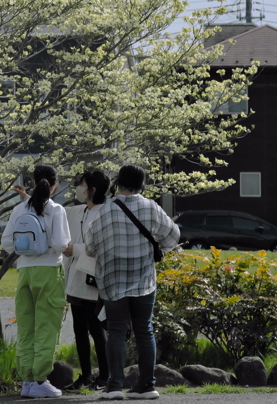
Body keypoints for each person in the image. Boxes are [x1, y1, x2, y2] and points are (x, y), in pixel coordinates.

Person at [86, 165, 179, 401]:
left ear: (119, 182)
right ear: (142, 184)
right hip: (144, 279)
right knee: (144, 329)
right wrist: (157, 251)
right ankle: (147, 385)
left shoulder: (104, 211)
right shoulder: (151, 207)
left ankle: (115, 385)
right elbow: (173, 236)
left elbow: (90, 246)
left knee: (117, 329)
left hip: (113, 279)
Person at [2, 164, 71, 399]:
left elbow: (7, 243)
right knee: (47, 326)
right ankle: (41, 379)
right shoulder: (56, 209)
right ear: (55, 185)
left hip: (25, 272)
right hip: (50, 271)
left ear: (32, 182)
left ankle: (27, 380)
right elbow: (61, 244)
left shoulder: (20, 209)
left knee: (26, 326)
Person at [61, 170, 110, 391]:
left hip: (93, 280)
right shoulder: (79, 211)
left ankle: (105, 376)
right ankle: (87, 375)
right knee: (79, 328)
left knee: (96, 328)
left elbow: (101, 245)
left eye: (82, 185)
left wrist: (76, 249)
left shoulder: (106, 213)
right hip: (76, 278)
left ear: (92, 189)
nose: (79, 188)